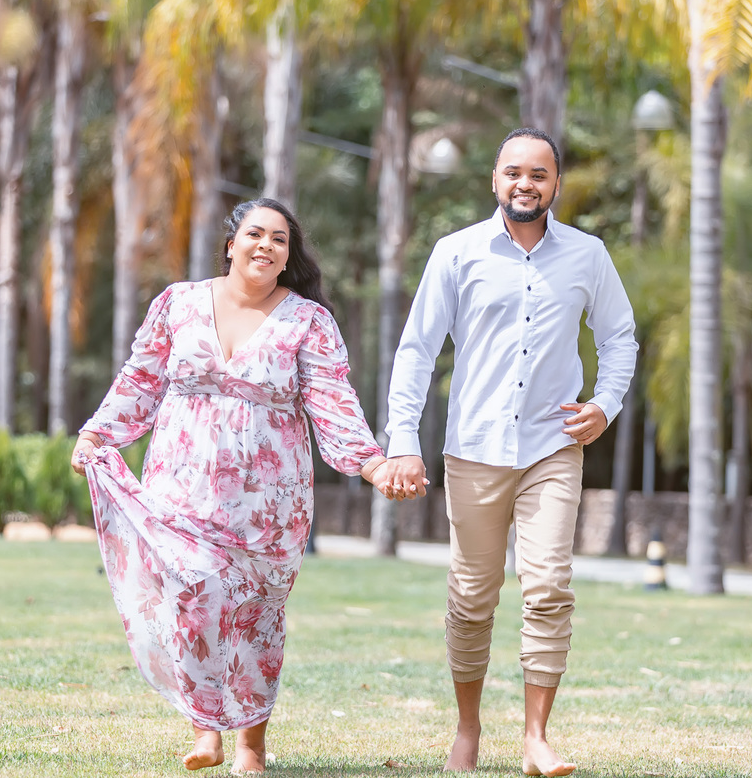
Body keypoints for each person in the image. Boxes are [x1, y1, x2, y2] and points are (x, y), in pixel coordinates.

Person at [72, 198, 391, 773]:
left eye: (279, 240)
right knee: (192, 596)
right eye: (255, 234)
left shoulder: (307, 321)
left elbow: (333, 402)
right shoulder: (179, 303)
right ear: (231, 244)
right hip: (181, 484)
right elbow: (140, 379)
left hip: (270, 500)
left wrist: (372, 465)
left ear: (287, 257)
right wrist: (97, 435)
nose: (266, 245)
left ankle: (251, 746)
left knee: (256, 614)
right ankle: (206, 730)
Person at [380, 128, 638, 776]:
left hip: (554, 446)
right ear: (495, 180)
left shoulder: (587, 255)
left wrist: (605, 403)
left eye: (539, 174)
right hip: (474, 448)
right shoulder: (456, 252)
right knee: (472, 595)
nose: (526, 184)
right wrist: (402, 441)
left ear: (556, 185)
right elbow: (417, 350)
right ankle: (467, 729)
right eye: (514, 172)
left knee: (548, 586)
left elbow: (620, 337)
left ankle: (535, 738)